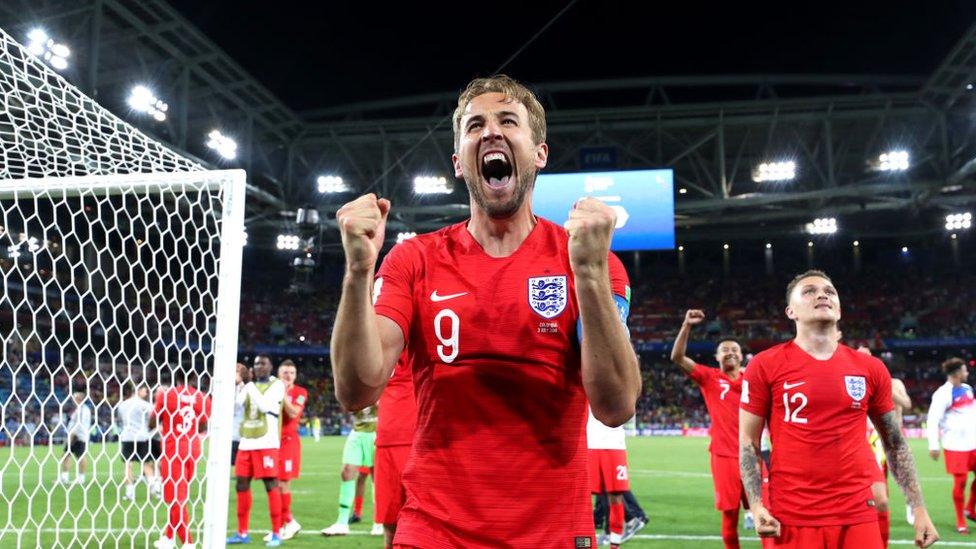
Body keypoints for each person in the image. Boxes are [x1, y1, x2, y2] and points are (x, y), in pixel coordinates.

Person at [331, 74, 639, 548]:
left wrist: (591, 276)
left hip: (553, 533)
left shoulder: (592, 262)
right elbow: (357, 388)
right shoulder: (414, 260)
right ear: (459, 162)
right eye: (475, 125)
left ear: (539, 153)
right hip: (434, 530)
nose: (491, 132)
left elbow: (616, 406)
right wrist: (356, 273)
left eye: (507, 120)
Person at [739, 269, 938, 548]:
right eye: (809, 291)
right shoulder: (765, 365)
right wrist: (757, 505)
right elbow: (748, 442)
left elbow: (894, 443)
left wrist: (917, 508)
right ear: (790, 311)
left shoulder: (870, 369)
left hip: (857, 512)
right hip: (790, 515)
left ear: (840, 309)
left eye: (829, 291)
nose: (821, 294)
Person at [671, 309, 751, 549]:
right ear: (716, 357)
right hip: (724, 456)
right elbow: (677, 357)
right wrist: (686, 325)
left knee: (766, 512)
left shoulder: (754, 379)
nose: (730, 352)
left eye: (734, 349)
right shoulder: (709, 377)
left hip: (754, 456)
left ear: (742, 356)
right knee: (729, 517)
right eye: (725, 349)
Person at [228, 355, 286, 547]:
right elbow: (236, 405)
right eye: (256, 364)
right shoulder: (249, 386)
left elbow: (265, 406)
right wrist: (237, 384)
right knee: (241, 485)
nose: (259, 366)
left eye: (263, 363)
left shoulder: (277, 385)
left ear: (270, 366)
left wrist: (247, 384)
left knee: (271, 485)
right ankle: (242, 533)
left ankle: (277, 532)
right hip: (246, 442)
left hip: (266, 443)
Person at [857, 346, 912, 546]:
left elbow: (906, 404)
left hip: (895, 437)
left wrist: (884, 386)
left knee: (904, 477)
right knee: (880, 485)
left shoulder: (893, 382)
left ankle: (911, 505)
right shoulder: (855, 382)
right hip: (872, 439)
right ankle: (877, 525)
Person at [151, 369, 211, 549]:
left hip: (173, 450)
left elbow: (152, 421)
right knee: (180, 496)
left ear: (175, 377)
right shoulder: (203, 398)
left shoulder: (167, 394)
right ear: (195, 377)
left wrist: (161, 419)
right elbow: (203, 425)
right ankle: (168, 539)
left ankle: (188, 543)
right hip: (193, 449)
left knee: (176, 499)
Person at [926, 356, 976, 534]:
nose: (967, 373)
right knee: (961, 482)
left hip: (973, 443)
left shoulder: (968, 389)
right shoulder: (942, 394)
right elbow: (933, 419)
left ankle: (970, 508)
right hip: (955, 445)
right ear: (957, 374)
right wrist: (933, 444)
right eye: (965, 370)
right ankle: (961, 521)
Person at [374, 353, 417, 547]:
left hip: (420, 442)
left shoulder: (425, 343)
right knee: (390, 524)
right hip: (387, 441)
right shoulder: (379, 349)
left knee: (423, 523)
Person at [264, 359, 307, 541]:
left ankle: (286, 524)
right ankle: (286, 523)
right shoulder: (272, 390)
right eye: (285, 373)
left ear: (295, 375)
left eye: (291, 373)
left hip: (289, 443)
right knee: (274, 483)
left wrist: (280, 392)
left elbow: (294, 413)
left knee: (283, 484)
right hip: (273, 441)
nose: (288, 376)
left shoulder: (300, 392)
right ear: (279, 374)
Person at [320, 405, 379, 536]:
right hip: (357, 432)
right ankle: (342, 523)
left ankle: (378, 522)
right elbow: (347, 405)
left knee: (377, 477)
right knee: (347, 472)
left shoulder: (384, 384)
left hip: (378, 432)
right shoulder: (358, 384)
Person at [587, 407, 631, 549]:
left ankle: (615, 546)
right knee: (582, 496)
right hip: (588, 442)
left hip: (614, 443)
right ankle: (584, 544)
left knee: (616, 495)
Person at [116, 383, 154, 500]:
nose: (146, 393)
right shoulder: (146, 405)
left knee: (128, 464)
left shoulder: (122, 405)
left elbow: (120, 420)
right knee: (146, 463)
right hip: (142, 437)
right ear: (138, 390)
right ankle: (154, 489)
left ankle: (129, 493)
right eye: (144, 390)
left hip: (127, 437)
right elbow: (152, 419)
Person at [58, 390, 91, 485]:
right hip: (75, 435)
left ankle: (81, 478)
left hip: (78, 436)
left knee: (80, 456)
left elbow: (79, 424)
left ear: (79, 399)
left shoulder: (83, 410)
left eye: (74, 397)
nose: (72, 399)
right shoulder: (80, 409)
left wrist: (72, 436)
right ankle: (65, 477)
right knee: (66, 455)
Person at [231, 363, 249, 469]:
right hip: (227, 431)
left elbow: (236, 406)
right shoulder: (222, 387)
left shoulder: (246, 388)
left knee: (238, 458)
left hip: (239, 432)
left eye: (237, 372)